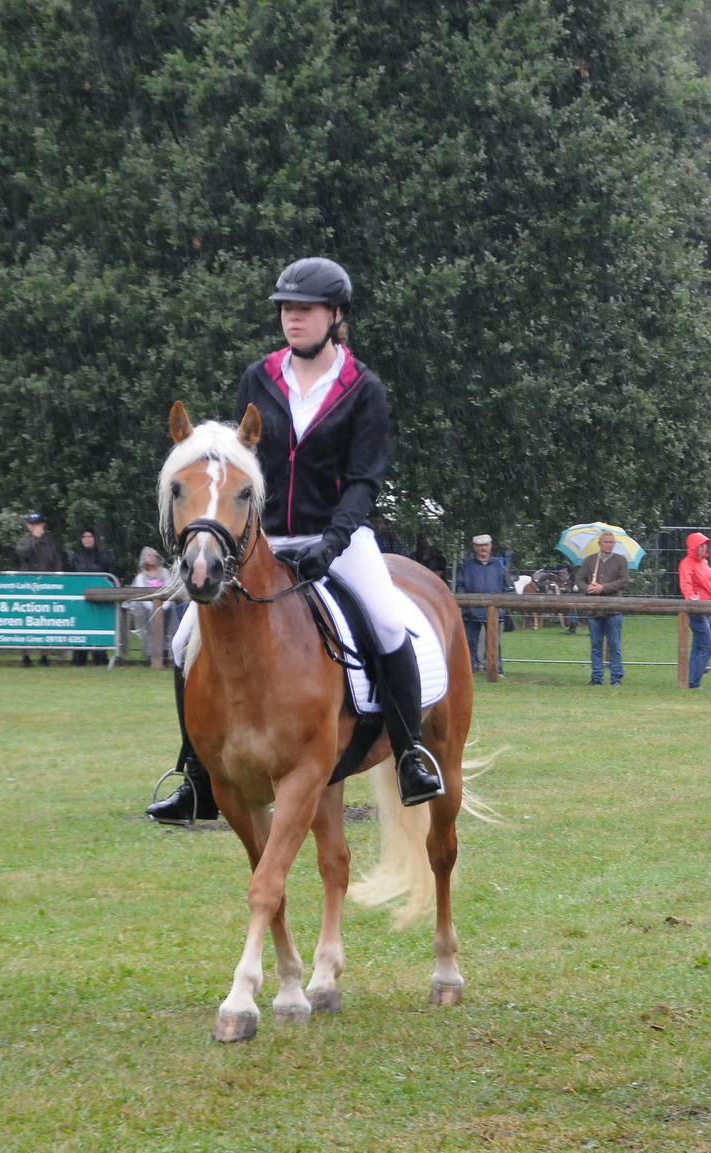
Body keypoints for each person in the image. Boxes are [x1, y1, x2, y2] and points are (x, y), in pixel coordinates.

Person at [149, 256, 444, 824]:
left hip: (340, 538)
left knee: (386, 621)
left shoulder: (364, 389)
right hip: (258, 541)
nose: (292, 318)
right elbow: (238, 466)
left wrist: (331, 543)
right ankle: (195, 773)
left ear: (335, 316)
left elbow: (364, 480)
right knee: (187, 639)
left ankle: (410, 754)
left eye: (304, 309)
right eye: (286, 309)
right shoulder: (258, 378)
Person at [454, 533, 512, 674]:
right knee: (469, 643)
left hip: (494, 612)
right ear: (475, 548)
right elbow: (460, 587)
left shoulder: (498, 566)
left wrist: (502, 606)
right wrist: (467, 603)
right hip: (471, 612)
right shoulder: (467, 567)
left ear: (490, 546)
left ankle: (497, 670)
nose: (483, 549)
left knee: (494, 643)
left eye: (485, 545)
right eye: (480, 546)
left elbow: (505, 587)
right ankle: (470, 670)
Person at [578, 531, 630, 685]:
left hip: (614, 609)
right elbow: (579, 579)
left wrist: (603, 587)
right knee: (596, 645)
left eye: (612, 542)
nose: (609, 545)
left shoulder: (621, 561)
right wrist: (588, 588)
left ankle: (616, 677)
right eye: (606, 542)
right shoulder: (590, 561)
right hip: (594, 610)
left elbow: (624, 581)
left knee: (614, 645)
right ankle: (596, 677)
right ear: (600, 544)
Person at [15, 513, 65, 667]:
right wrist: (35, 540)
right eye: (33, 524)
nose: (36, 526)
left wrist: (57, 583)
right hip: (27, 586)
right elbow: (22, 555)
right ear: (28, 526)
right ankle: (26, 656)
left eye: (39, 523)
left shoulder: (51, 543)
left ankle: (44, 656)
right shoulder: (23, 542)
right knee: (26, 622)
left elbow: (57, 564)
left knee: (45, 621)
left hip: (47, 586)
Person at [66, 529, 117, 666]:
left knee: (98, 627)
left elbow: (112, 576)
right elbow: (70, 578)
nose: (87, 539)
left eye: (90, 536)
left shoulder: (104, 556)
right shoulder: (76, 557)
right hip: (81, 599)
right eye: (84, 536)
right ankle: (79, 658)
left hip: (100, 599)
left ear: (95, 538)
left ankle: (100, 657)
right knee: (81, 628)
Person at [126, 546, 180, 664]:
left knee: (165, 631)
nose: (151, 558)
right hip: (147, 609)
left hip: (166, 608)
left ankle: (165, 653)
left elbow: (169, 588)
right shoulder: (140, 577)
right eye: (148, 556)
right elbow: (139, 593)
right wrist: (152, 607)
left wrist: (163, 606)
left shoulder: (164, 573)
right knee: (150, 631)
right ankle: (151, 655)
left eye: (153, 555)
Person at [679, 532, 711, 687]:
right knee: (707, 647)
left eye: (705, 544)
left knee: (698, 648)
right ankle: (692, 681)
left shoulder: (705, 563)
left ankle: (690, 680)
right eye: (700, 544)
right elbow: (686, 583)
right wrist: (690, 597)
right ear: (693, 546)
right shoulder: (686, 563)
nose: (703, 547)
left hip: (708, 608)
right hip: (697, 609)